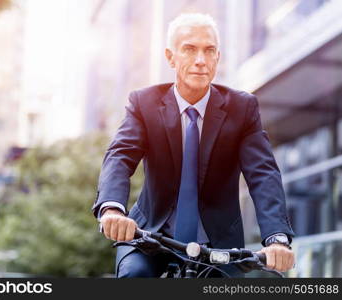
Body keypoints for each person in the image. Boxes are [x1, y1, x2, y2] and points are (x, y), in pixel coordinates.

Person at [92, 13, 295, 277]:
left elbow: (263, 174)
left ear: (217, 58)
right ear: (170, 57)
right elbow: (120, 157)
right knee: (135, 277)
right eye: (189, 49)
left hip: (219, 243)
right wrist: (111, 208)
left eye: (209, 50)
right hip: (150, 236)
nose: (200, 60)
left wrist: (277, 238)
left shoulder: (242, 108)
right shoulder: (144, 103)